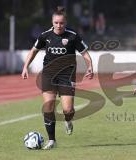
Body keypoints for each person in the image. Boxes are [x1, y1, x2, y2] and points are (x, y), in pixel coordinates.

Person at [21, 6, 94, 150]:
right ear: (52, 22)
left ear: (65, 23)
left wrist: (90, 66)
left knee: (68, 110)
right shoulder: (45, 36)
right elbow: (34, 50)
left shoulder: (73, 36)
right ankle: (52, 140)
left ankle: (68, 120)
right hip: (48, 74)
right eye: (56, 23)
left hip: (67, 75)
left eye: (61, 23)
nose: (58, 25)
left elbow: (84, 53)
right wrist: (25, 67)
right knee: (48, 106)